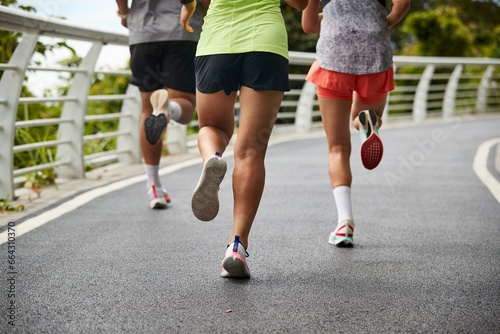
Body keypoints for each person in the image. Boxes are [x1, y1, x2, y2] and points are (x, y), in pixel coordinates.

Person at [180, 0, 309, 278]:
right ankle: (236, 246)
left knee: (213, 126)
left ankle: (213, 158)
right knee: (250, 151)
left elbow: (198, 5)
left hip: (217, 42)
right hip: (265, 43)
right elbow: (301, 4)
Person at [302, 0, 411, 246]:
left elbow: (308, 26)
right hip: (376, 51)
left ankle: (344, 223)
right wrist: (387, 21)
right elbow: (403, 2)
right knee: (363, 115)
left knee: (337, 148)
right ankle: (366, 123)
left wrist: (333, 14)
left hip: (333, 55)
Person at [115, 0, 209, 209]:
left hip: (143, 32)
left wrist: (124, 13)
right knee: (183, 105)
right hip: (183, 30)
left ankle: (154, 188)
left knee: (148, 110)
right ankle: (169, 111)